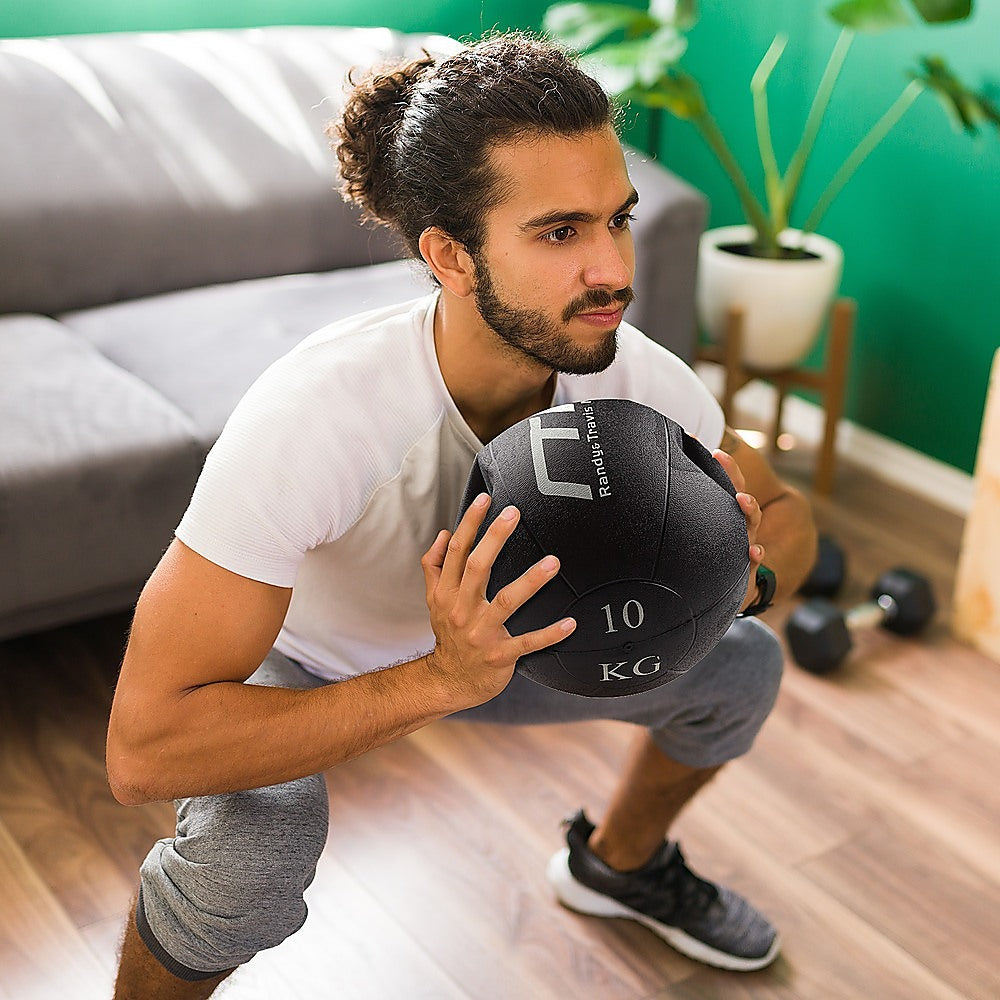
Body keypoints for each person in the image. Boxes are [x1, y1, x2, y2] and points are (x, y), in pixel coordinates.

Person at [106, 31, 816, 999]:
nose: (612, 269)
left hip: (508, 649)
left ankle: (618, 866)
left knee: (741, 666)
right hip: (299, 662)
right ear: (449, 254)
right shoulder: (319, 413)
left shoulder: (640, 384)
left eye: (617, 219)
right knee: (251, 861)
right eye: (559, 233)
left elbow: (783, 511)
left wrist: (746, 573)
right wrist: (437, 679)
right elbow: (142, 748)